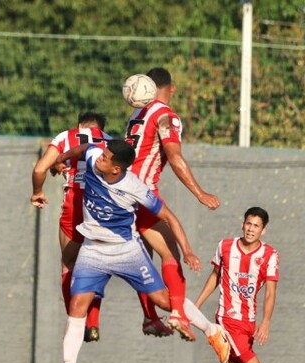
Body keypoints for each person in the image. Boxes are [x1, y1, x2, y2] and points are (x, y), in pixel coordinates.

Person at [52, 139, 202, 363]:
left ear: (116, 170)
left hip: (125, 251)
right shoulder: (94, 157)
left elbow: (169, 217)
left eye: (106, 158)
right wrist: (60, 158)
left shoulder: (134, 187)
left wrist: (187, 249)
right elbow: (83, 149)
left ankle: (212, 331)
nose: (100, 158)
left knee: (164, 300)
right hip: (93, 251)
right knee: (77, 307)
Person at [86, 67, 222, 347]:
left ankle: (149, 317)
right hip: (142, 195)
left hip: (119, 196)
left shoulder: (136, 116)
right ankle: (179, 315)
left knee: (142, 260)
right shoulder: (166, 116)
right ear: (171, 88)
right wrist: (200, 193)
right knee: (171, 254)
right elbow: (174, 157)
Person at [31, 112, 172, 342]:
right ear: (102, 128)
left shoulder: (66, 137)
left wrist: (37, 192)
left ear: (79, 125)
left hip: (75, 205)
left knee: (70, 263)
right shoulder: (111, 144)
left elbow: (39, 170)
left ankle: (77, 322)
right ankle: (144, 317)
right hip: (107, 211)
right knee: (135, 263)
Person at [171, 207, 289, 363]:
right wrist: (193, 307)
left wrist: (265, 322)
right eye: (248, 223)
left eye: (256, 226)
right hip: (228, 320)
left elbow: (271, 293)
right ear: (242, 224)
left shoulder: (270, 255)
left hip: (248, 324)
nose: (250, 229)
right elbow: (214, 277)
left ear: (263, 230)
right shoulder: (225, 246)